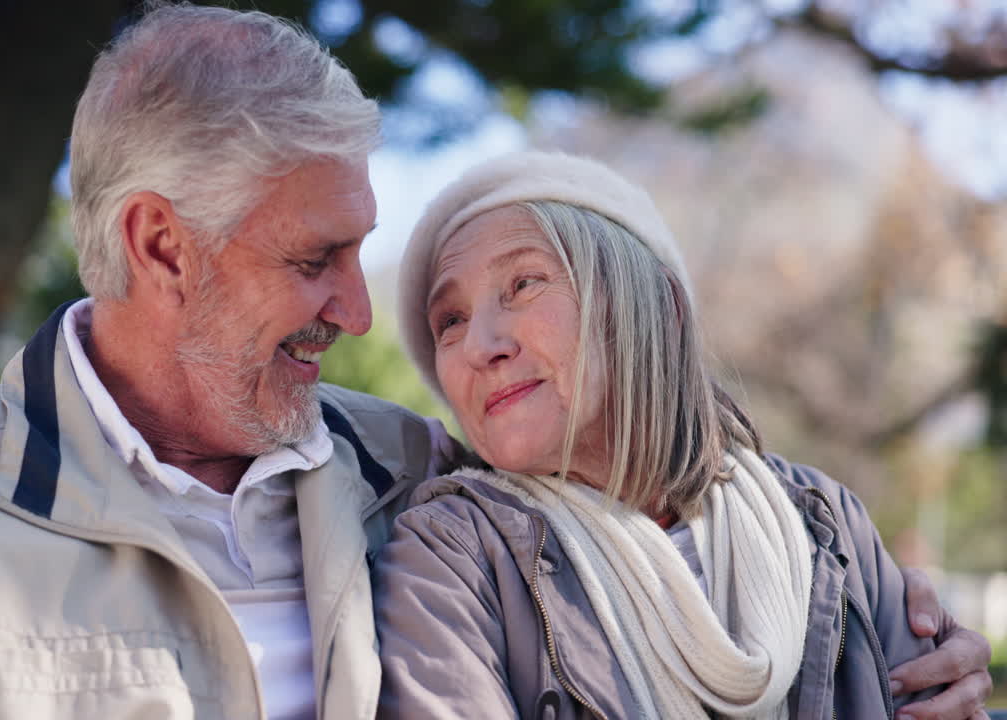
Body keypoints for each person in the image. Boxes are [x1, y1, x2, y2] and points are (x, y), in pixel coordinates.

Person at [0, 3, 989, 719]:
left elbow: (628, 509)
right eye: (316, 259)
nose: (362, 314)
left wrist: (929, 647)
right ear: (161, 244)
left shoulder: (407, 468)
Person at [375, 150, 996, 720]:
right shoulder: (453, 561)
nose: (481, 346)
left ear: (657, 305)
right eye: (449, 320)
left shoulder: (825, 524)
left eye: (523, 284)